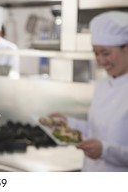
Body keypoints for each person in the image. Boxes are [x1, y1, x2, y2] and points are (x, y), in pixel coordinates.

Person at [49, 11, 128, 171]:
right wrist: (68, 123)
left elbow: (105, 143)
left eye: (106, 53)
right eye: (96, 53)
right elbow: (97, 130)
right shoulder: (102, 86)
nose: (100, 60)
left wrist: (105, 150)